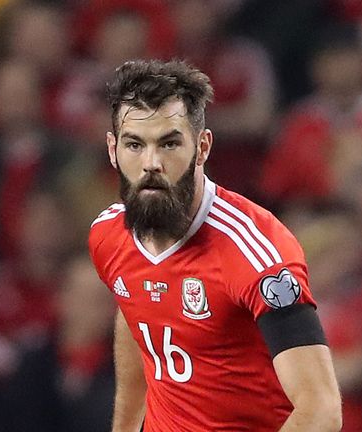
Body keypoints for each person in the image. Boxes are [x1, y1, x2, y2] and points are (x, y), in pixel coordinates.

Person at [88, 59, 342, 431]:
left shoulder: (258, 252)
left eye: (169, 143)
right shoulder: (108, 236)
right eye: (134, 145)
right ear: (113, 149)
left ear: (202, 147)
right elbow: (138, 315)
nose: (151, 163)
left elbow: (320, 409)